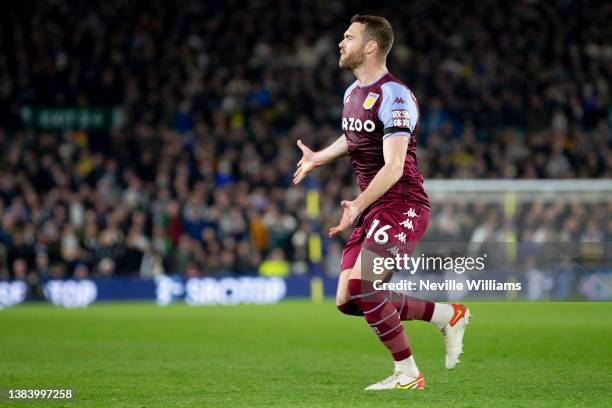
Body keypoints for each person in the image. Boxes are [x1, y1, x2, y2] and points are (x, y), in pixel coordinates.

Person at [294, 15, 470, 390]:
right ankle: (446, 315)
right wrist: (318, 158)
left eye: (348, 37)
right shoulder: (351, 93)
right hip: (374, 207)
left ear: (370, 46)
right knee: (347, 299)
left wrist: (357, 204)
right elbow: (353, 138)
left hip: (402, 203)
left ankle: (408, 373)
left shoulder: (396, 96)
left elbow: (392, 167)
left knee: (363, 286)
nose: (340, 43)